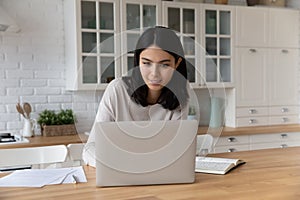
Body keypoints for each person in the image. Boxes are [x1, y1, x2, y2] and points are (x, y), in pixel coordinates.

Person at [83, 26, 191, 167]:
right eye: (146, 63)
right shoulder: (117, 90)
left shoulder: (180, 96)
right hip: (119, 173)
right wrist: (121, 164)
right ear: (137, 62)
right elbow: (90, 148)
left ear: (177, 64)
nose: (154, 74)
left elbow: (175, 152)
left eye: (164, 65)